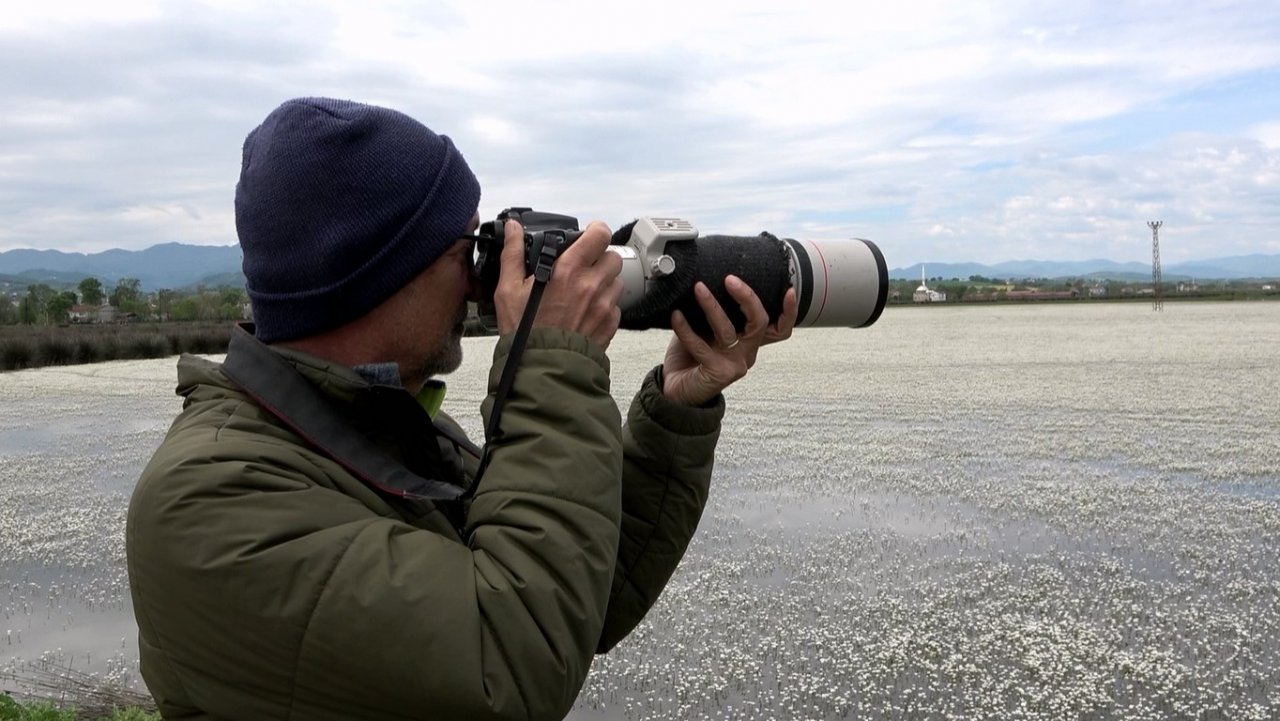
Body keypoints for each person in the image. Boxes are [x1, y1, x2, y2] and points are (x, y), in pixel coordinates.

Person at [126, 97, 796, 721]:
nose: (484, 279)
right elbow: (516, 658)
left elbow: (580, 596)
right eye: (465, 249)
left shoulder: (372, 431)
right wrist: (552, 359)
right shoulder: (208, 505)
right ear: (376, 274)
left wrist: (673, 411)